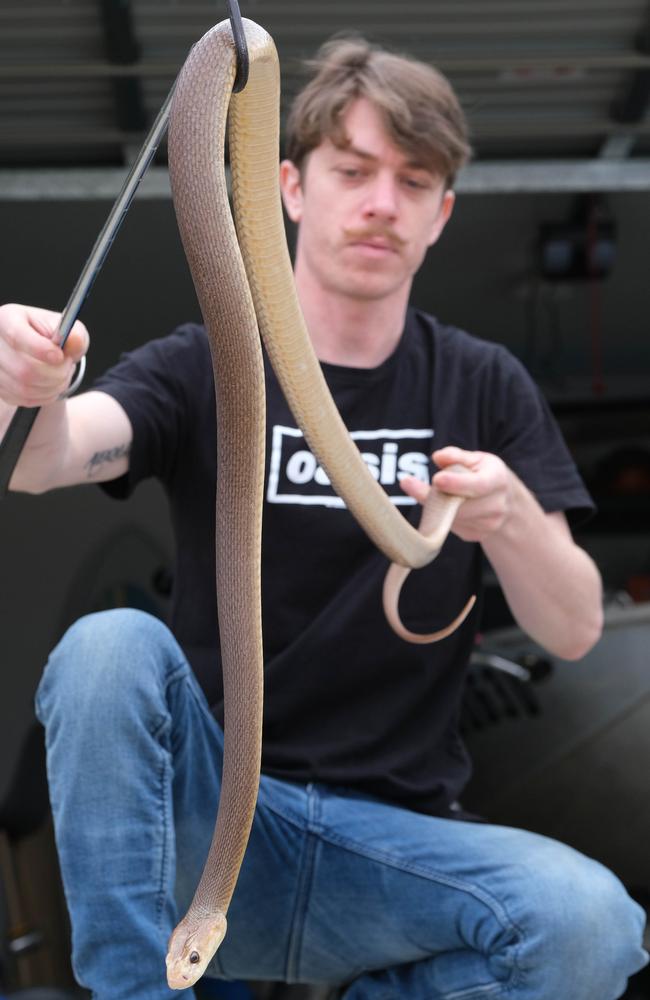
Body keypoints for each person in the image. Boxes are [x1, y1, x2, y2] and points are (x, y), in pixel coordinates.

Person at [1, 36, 647, 1000]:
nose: (382, 202)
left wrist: (507, 515)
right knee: (107, 649)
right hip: (213, 819)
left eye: (414, 180)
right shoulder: (205, 361)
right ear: (289, 189)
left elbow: (578, 625)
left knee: (591, 925)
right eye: (353, 170)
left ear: (443, 214)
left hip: (389, 845)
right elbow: (43, 459)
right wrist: (26, 384)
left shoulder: (483, 383)